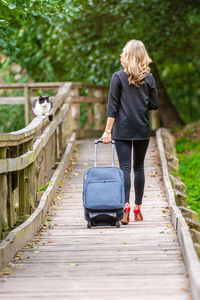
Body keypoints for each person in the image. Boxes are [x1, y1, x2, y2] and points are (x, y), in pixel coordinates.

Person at [100, 39, 159, 224]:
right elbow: (154, 104)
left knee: (124, 168)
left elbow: (113, 107)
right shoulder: (148, 78)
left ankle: (124, 205)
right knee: (139, 167)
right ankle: (137, 208)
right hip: (141, 127)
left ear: (126, 55)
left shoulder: (117, 77)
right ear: (143, 56)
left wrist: (107, 131)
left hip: (122, 129)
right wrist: (142, 104)